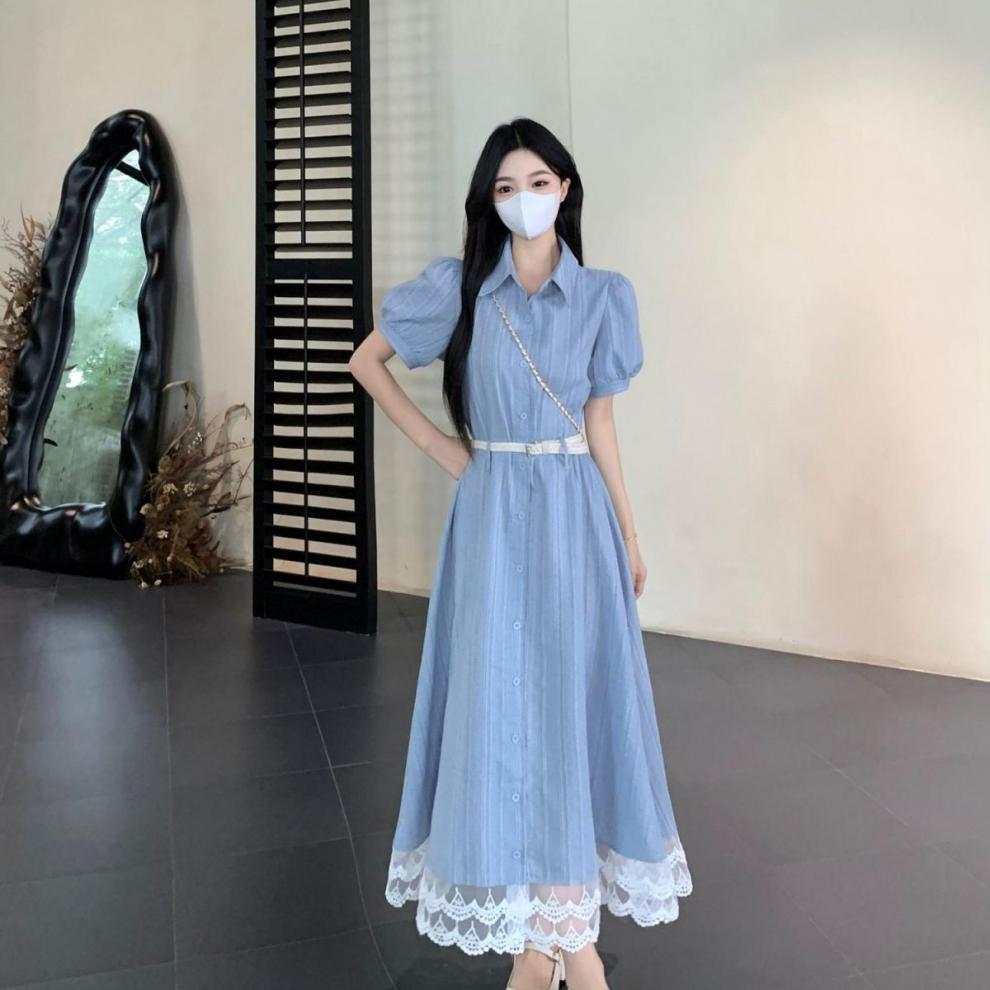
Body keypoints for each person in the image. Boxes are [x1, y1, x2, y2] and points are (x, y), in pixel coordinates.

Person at [349, 117, 693, 990]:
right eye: (505, 188)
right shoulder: (460, 288)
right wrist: (447, 452)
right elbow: (368, 362)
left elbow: (600, 421)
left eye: (538, 182)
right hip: (494, 517)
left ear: (565, 189)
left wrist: (629, 531)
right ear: (489, 201)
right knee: (499, 709)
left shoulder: (604, 296)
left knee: (572, 707)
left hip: (575, 514)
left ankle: (556, 947)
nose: (524, 199)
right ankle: (550, 948)